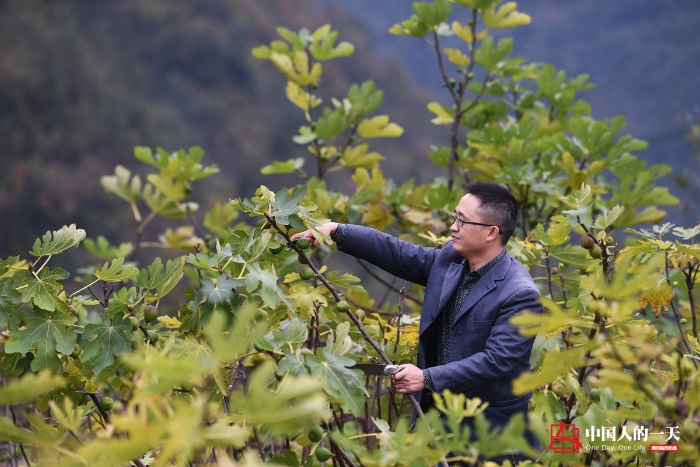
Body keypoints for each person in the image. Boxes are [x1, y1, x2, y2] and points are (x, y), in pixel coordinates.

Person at [291, 181, 542, 463]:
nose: (453, 227)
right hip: (441, 426)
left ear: (491, 232)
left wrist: (426, 378)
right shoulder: (452, 260)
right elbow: (398, 253)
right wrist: (336, 231)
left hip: (491, 435)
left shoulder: (520, 294)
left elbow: (496, 361)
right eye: (454, 217)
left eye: (462, 220)